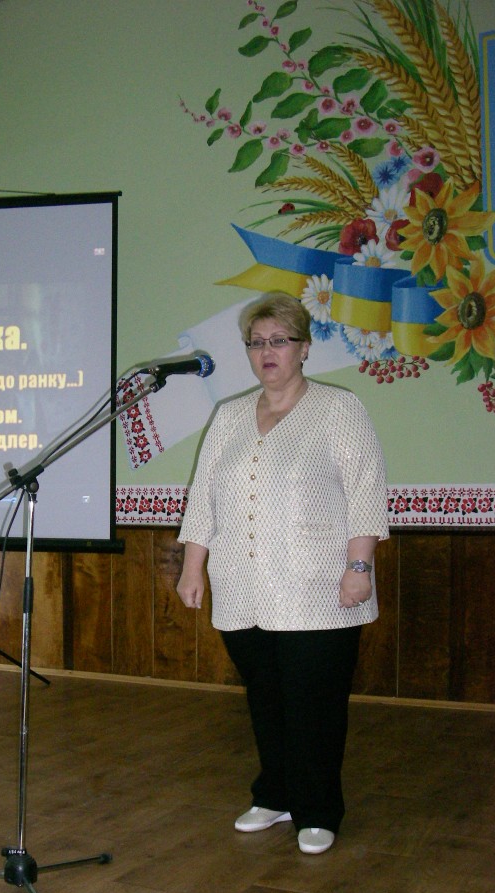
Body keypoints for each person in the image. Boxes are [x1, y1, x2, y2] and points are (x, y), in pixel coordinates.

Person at [176, 290, 389, 855]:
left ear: (304, 348)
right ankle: (275, 794)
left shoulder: (338, 409)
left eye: (279, 341)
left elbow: (366, 493)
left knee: (314, 704)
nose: (267, 352)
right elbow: (203, 499)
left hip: (318, 588)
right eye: (256, 343)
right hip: (241, 587)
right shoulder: (228, 416)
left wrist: (359, 566)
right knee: (266, 698)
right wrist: (193, 567)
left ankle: (317, 809)